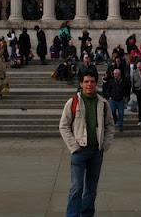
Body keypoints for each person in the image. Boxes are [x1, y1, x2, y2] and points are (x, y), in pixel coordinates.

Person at [59, 73, 115, 217]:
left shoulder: (103, 103)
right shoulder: (72, 102)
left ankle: (87, 214)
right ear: (81, 84)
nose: (89, 84)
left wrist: (105, 144)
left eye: (92, 82)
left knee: (91, 188)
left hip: (96, 152)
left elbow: (110, 125)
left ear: (96, 84)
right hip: (79, 152)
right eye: (86, 82)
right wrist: (73, 146)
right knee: (76, 188)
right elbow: (63, 126)